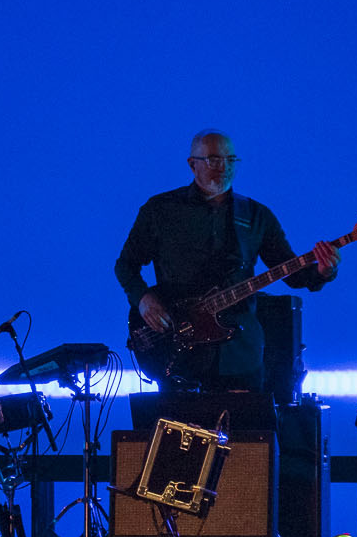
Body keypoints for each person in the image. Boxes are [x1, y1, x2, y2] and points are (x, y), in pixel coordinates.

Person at [114, 129, 339, 392]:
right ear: (192, 164)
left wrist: (324, 271)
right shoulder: (160, 210)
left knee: (246, 431)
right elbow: (125, 265)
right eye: (213, 160)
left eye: (230, 160)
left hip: (239, 354)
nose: (223, 167)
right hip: (179, 350)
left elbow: (293, 274)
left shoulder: (256, 216)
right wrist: (143, 299)